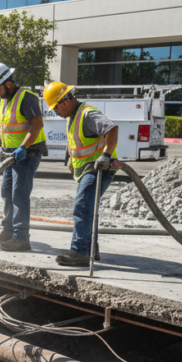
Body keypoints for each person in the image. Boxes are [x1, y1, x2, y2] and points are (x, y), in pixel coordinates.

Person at [43, 82, 119, 267]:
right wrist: (70, 158)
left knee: (83, 206)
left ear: (66, 101)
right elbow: (78, 141)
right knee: (88, 207)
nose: (55, 113)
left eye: (56, 108)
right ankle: (91, 249)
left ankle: (80, 252)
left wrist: (106, 155)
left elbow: (112, 129)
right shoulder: (73, 116)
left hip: (99, 168)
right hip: (88, 169)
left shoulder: (87, 114)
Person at [0, 62, 47, 252]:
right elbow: (7, 126)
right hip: (11, 155)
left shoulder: (26, 98)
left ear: (8, 84)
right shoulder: (6, 99)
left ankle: (21, 238)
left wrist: (22, 147)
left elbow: (36, 125)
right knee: (7, 194)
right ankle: (8, 231)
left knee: (19, 195)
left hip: (27, 154)